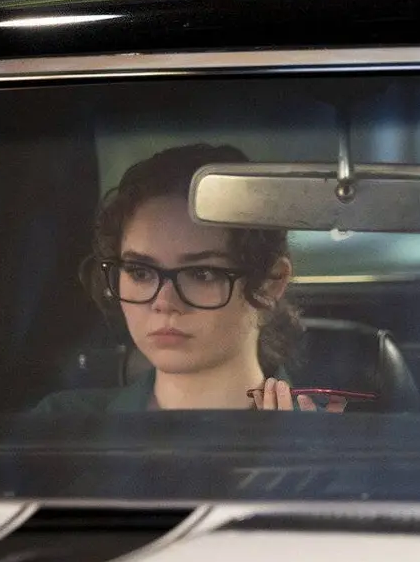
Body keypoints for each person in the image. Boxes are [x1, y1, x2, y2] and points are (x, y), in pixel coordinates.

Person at [33, 143, 342, 412]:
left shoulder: (331, 444)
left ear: (271, 282)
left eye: (201, 273)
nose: (164, 302)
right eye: (140, 272)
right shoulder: (62, 426)